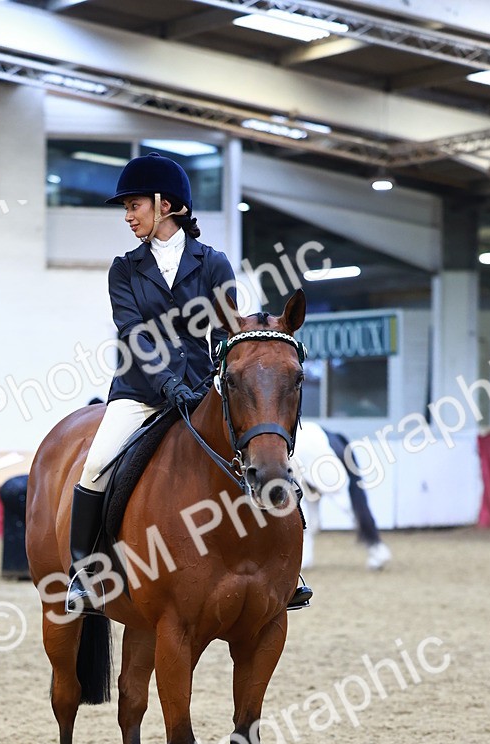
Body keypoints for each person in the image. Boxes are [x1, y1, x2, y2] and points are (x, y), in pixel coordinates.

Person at [64, 151, 312, 613]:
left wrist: (208, 381)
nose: (128, 215)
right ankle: (85, 574)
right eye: (126, 207)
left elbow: (225, 331)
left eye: (134, 204)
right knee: (95, 465)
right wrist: (166, 384)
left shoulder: (214, 264)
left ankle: (284, 569)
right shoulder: (124, 268)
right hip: (140, 391)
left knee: (260, 451)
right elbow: (134, 335)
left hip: (202, 388)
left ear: (166, 205)